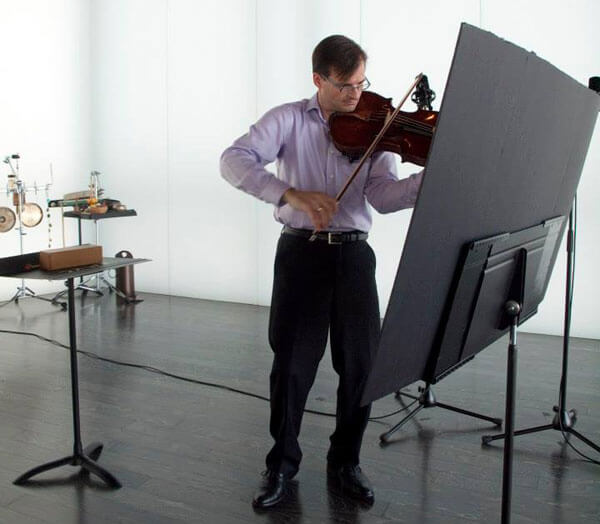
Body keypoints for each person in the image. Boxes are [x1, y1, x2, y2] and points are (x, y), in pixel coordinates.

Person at [220, 34, 423, 509]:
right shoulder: (288, 118)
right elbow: (233, 160)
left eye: (361, 83)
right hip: (302, 251)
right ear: (319, 79)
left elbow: (384, 197)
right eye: (345, 85)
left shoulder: (377, 124)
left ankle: (346, 462)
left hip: (353, 255)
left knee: (360, 366)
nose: (357, 95)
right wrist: (289, 194)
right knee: (291, 366)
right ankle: (281, 466)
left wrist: (429, 177)